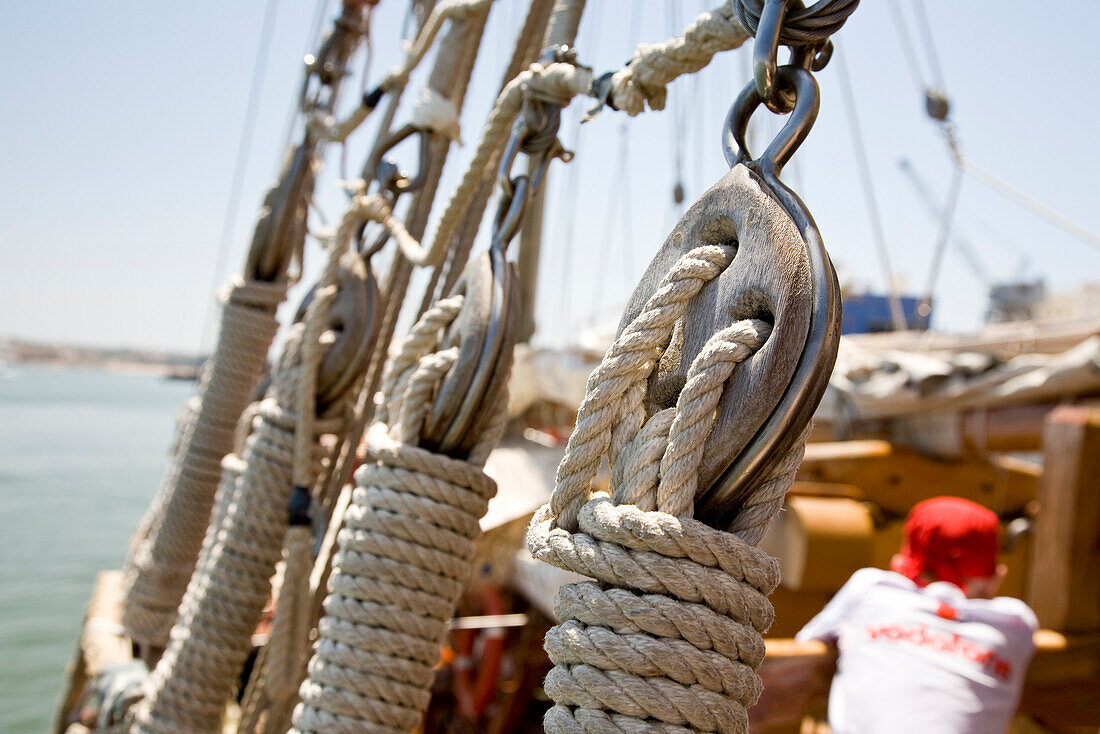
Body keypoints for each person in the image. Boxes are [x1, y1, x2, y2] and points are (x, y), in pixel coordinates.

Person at [786, 496, 1038, 734]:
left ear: (902, 560)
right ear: (995, 575)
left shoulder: (872, 589)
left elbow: (805, 643)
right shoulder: (1016, 623)